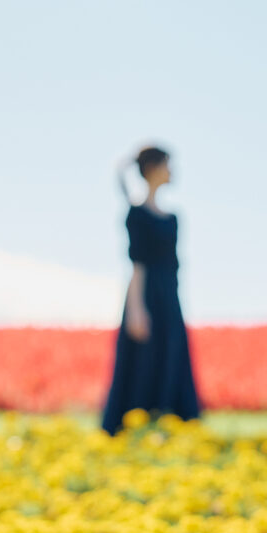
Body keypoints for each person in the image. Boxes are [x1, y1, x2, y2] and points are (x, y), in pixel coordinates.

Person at [101, 144, 201, 434]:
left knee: (171, 356)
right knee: (144, 361)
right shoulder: (137, 214)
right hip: (146, 296)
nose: (171, 171)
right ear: (154, 168)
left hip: (170, 297)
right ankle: (136, 428)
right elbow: (137, 265)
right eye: (167, 164)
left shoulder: (173, 218)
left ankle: (171, 424)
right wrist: (135, 308)